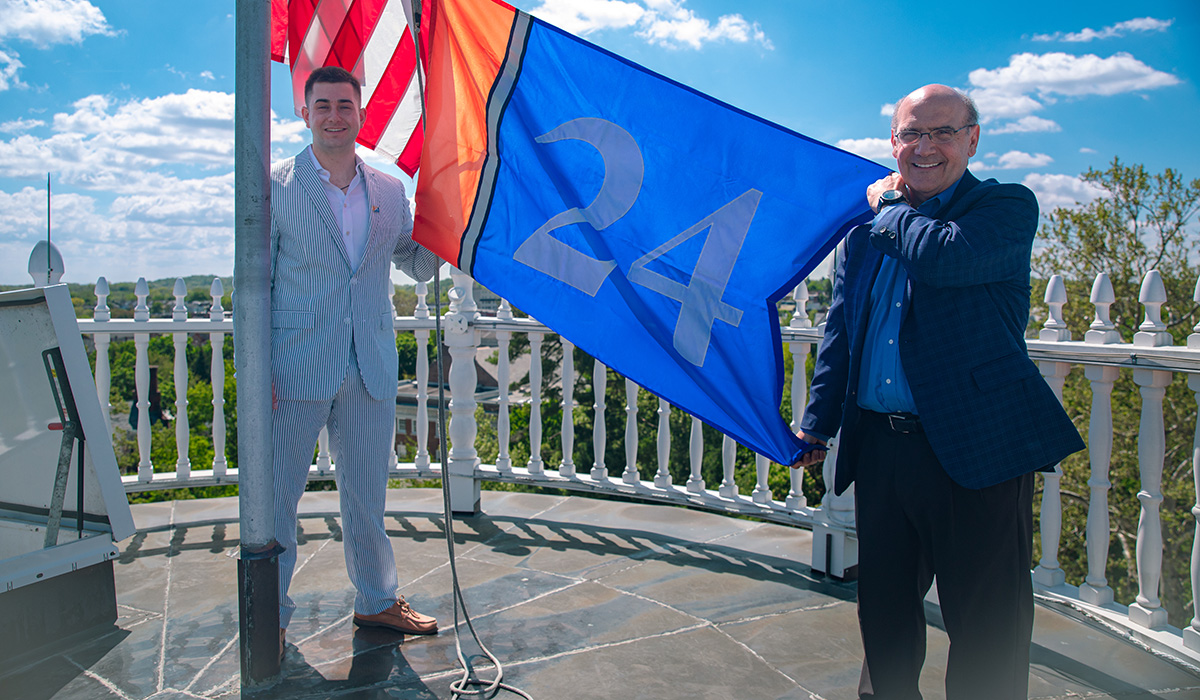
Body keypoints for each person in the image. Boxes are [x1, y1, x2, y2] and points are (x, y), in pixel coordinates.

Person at [793, 84, 1084, 699]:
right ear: (893, 142)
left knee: (985, 626)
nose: (925, 147)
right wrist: (817, 424)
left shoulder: (1003, 207)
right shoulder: (863, 234)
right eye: (910, 134)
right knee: (885, 615)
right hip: (882, 450)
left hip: (975, 452)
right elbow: (842, 331)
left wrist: (888, 209)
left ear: (972, 140)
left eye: (943, 132)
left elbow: (944, 259)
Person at [270, 65, 442, 641]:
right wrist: (257, 372)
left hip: (368, 366)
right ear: (305, 113)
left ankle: (376, 599)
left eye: (345, 106)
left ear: (361, 114)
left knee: (367, 494)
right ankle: (269, 611)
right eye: (324, 106)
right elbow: (256, 284)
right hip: (293, 368)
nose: (335, 116)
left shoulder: (389, 191)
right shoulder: (274, 185)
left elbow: (416, 264)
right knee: (278, 499)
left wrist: (456, 219)